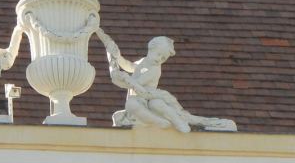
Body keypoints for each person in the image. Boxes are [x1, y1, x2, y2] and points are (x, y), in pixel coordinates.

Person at [97, 30, 236, 133]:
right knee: (133, 105)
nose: (159, 59)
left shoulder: (155, 69)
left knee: (153, 104)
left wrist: (121, 76)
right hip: (141, 99)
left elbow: (136, 84)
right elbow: (128, 65)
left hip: (147, 96)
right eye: (158, 55)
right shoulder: (143, 62)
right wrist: (114, 55)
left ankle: (176, 122)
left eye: (163, 58)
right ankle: (159, 122)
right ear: (150, 49)